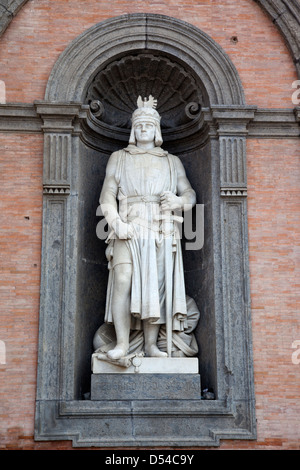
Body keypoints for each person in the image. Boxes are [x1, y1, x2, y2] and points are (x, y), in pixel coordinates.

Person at [98, 96, 198, 360]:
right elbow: (106, 195)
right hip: (127, 226)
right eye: (139, 125)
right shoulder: (118, 158)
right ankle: (121, 344)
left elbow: (189, 194)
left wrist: (179, 201)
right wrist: (116, 223)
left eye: (148, 126)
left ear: (157, 130)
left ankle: (151, 346)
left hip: (161, 227)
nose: (144, 130)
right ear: (133, 130)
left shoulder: (171, 161)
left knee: (157, 286)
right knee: (123, 280)